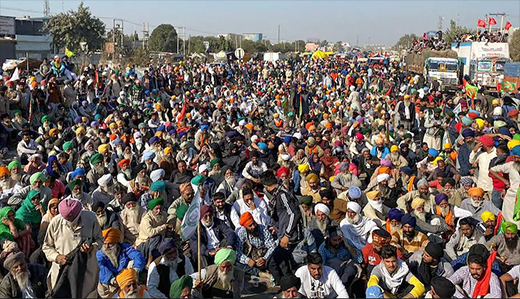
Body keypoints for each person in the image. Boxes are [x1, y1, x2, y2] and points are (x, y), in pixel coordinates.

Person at [42, 198, 103, 298]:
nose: (70, 221)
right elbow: (47, 246)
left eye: (73, 218)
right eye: (67, 219)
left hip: (87, 270)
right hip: (62, 270)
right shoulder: (55, 222)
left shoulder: (90, 218)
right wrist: (57, 257)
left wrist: (92, 247)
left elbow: (100, 240)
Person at [96, 227, 146, 298]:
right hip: (110, 283)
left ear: (116, 243)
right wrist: (113, 280)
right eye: (105, 244)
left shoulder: (125, 248)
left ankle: (132, 289)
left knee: (132, 263)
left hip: (126, 279)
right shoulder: (100, 254)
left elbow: (137, 256)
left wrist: (135, 270)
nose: (107, 246)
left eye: (110, 244)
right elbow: (102, 267)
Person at [235, 212, 278, 280]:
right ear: (245, 227)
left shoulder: (263, 228)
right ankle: (259, 273)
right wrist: (247, 260)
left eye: (254, 223)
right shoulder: (241, 233)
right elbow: (238, 253)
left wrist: (264, 258)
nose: (253, 227)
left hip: (264, 258)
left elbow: (272, 246)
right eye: (250, 226)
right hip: (251, 261)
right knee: (237, 264)